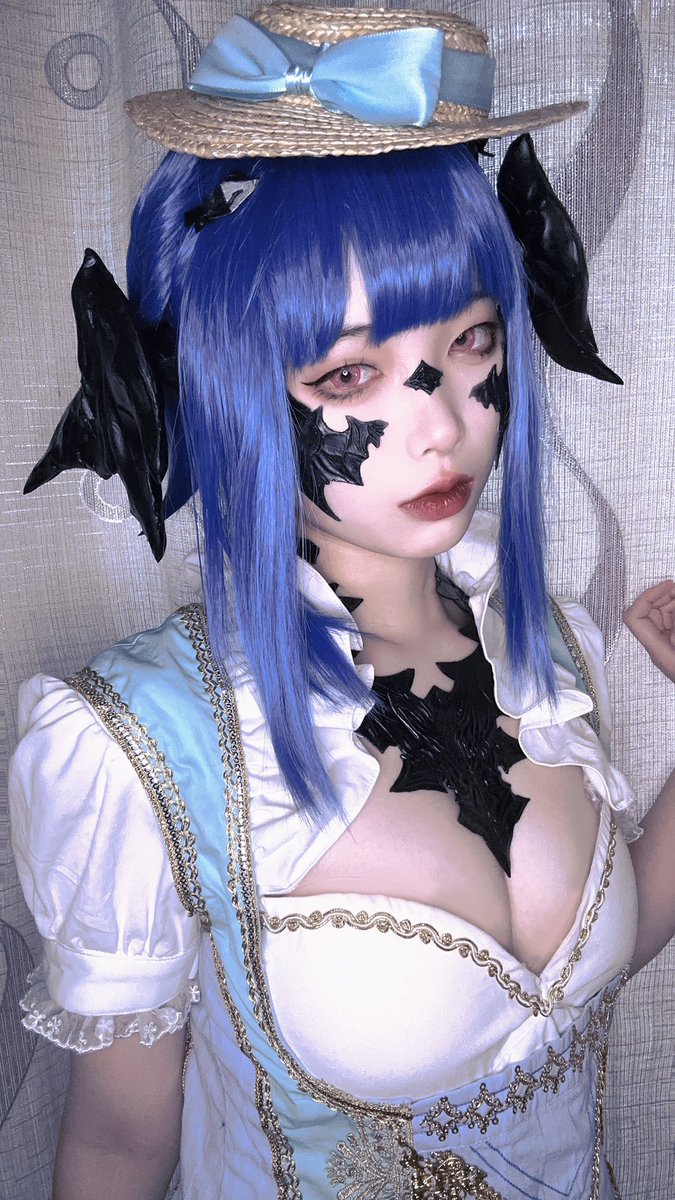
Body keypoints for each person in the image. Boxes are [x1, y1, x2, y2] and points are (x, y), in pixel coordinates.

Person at [8, 6, 675, 1199]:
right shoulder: (139, 744)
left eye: (473, 344)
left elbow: (573, 986)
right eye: (353, 373)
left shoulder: (544, 654)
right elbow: (116, 1144)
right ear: (240, 390)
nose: (444, 424)